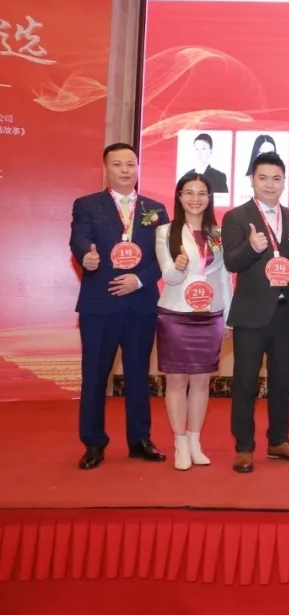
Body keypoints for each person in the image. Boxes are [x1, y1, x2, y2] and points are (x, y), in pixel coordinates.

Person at [70, 143, 170, 470]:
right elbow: (79, 239)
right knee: (95, 375)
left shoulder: (155, 209)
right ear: (106, 169)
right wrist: (86, 256)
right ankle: (93, 443)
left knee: (139, 374)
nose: (125, 170)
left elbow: (164, 258)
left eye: (131, 163)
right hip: (100, 305)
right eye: (118, 164)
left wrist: (139, 280)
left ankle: (140, 440)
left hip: (140, 304)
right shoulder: (87, 205)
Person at [222, 151, 289, 473]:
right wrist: (252, 247)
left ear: (284, 181)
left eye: (276, 178)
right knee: (245, 381)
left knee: (280, 380)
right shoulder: (236, 217)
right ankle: (244, 447)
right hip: (251, 313)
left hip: (285, 313)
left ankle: (278, 440)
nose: (270, 184)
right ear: (252, 180)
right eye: (263, 178)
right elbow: (232, 262)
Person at [154, 173, 234, 470]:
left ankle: (195, 440)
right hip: (175, 315)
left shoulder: (218, 233)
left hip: (210, 316)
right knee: (176, 382)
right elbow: (169, 277)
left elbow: (225, 278)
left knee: (201, 382)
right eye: (189, 193)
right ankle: (179, 443)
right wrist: (178, 266)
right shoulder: (165, 232)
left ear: (209, 198)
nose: (195, 199)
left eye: (201, 193)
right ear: (179, 197)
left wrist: (228, 318)